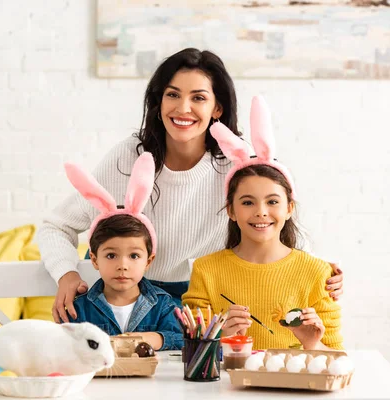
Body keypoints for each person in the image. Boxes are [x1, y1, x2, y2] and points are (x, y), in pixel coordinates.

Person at [38, 48, 344, 324]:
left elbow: (270, 219)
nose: (183, 108)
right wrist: (66, 275)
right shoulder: (128, 157)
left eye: (198, 97)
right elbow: (57, 226)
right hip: (131, 299)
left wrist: (315, 271)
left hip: (211, 302)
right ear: (158, 103)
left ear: (217, 108)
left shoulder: (235, 162)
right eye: (172, 95)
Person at [182, 96, 342, 350]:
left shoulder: (318, 272)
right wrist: (219, 338)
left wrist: (312, 344)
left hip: (291, 388)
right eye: (247, 202)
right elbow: (189, 354)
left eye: (272, 202)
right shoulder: (205, 270)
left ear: (289, 208)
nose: (261, 212)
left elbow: (337, 357)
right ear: (231, 210)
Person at [65, 153, 182, 351]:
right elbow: (61, 346)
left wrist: (152, 338)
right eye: (111, 255)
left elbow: (181, 339)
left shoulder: (162, 305)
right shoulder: (79, 309)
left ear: (148, 260)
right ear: (94, 259)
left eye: (134, 256)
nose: (122, 265)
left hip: (150, 381)